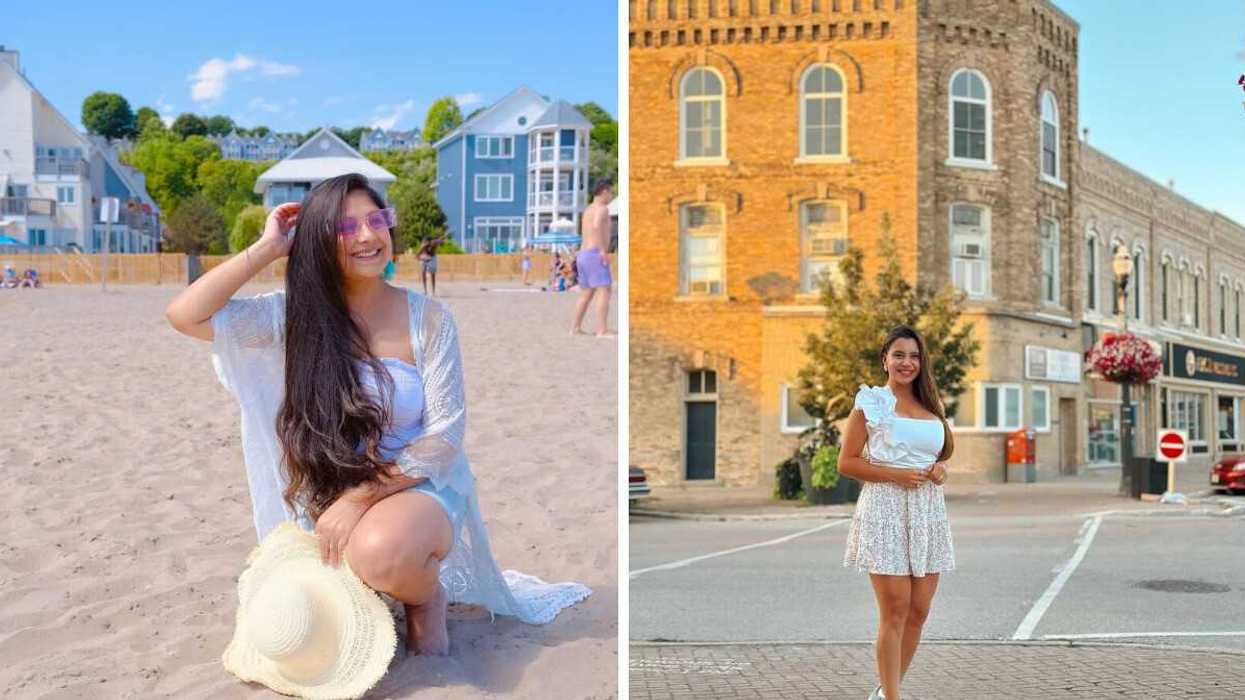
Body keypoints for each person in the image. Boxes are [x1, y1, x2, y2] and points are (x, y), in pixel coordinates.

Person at [164, 173, 589, 660]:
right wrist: (267, 248)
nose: (368, 236)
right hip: (329, 485)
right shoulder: (290, 318)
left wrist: (362, 499)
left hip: (416, 483)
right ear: (320, 242)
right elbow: (186, 315)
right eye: (347, 228)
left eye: (375, 220)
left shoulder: (427, 318)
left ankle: (425, 599)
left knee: (380, 551)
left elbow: (445, 436)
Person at [839, 325, 955, 700]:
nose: (908, 362)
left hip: (928, 512)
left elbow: (938, 456)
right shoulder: (870, 403)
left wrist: (940, 470)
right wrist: (895, 475)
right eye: (899, 355)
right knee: (896, 610)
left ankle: (885, 690)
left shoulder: (931, 405)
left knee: (920, 610)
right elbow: (847, 463)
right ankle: (892, 697)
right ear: (885, 359)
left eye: (915, 356)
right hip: (884, 509)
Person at [570, 180, 615, 337]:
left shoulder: (588, 209)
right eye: (611, 192)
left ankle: (575, 328)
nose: (611, 196)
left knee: (586, 293)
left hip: (583, 255)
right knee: (605, 290)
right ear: (604, 192)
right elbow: (596, 227)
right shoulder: (602, 209)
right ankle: (602, 329)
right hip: (595, 254)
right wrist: (603, 251)